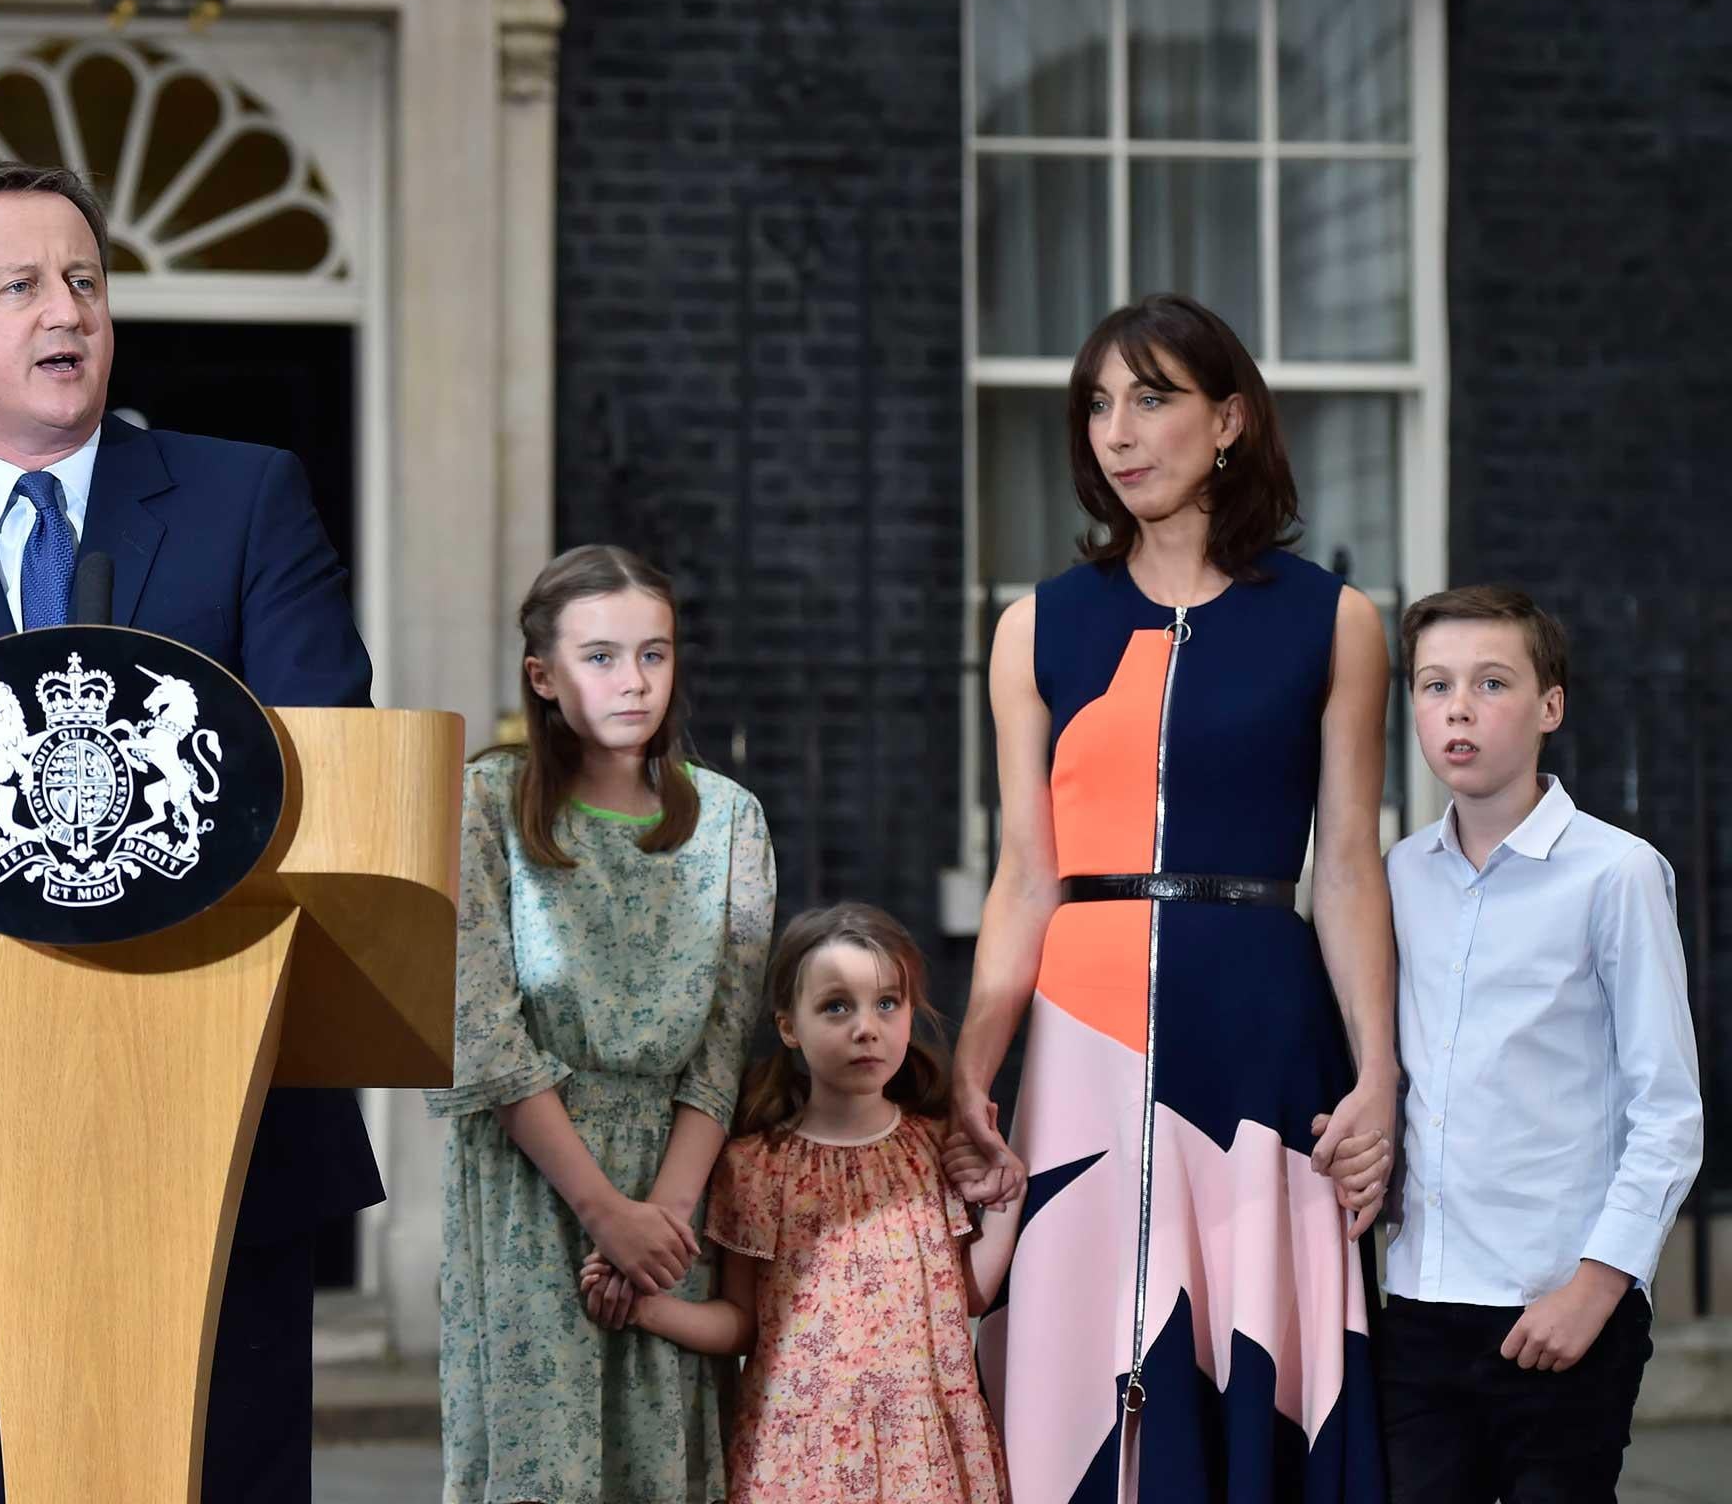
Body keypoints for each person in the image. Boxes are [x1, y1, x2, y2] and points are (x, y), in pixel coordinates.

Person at [0, 161, 380, 1502]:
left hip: (218, 1121)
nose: (69, 311)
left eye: (85, 282)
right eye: (21, 288)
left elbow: (328, 758)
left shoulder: (244, 499)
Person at [943, 293, 1391, 1499]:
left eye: (1152, 398)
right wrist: (972, 1072)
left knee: (1236, 1361)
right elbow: (1023, 874)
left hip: (1256, 1036)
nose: (1117, 431)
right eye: (1097, 404)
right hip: (1083, 1039)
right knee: (1078, 1363)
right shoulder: (1034, 627)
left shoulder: (1333, 623)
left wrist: (1378, 1074)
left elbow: (1345, 864)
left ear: (1229, 419)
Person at [1325, 586, 1702, 1503]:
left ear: (1549, 705)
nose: (1458, 707)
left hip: (1560, 1303)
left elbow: (1668, 1112)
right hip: (1420, 1307)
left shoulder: (1617, 875)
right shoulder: (1393, 880)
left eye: (1492, 683)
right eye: (1433, 684)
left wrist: (1598, 1287)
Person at [427, 544, 776, 1504]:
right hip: (532, 1182)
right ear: (543, 675)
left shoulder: (731, 821)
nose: (635, 681)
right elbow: (480, 1034)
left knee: (660, 1465)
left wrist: (658, 1220)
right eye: (602, 656)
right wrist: (600, 1212)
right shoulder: (485, 803)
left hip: (671, 1184)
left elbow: (720, 1049)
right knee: (541, 1469)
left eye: (654, 655)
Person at [581, 901, 1014, 1504]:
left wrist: (1007, 1190)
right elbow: (743, 1324)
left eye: (887, 1003)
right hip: (798, 1459)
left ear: (910, 1014)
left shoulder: (935, 1149)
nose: (866, 1027)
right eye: (836, 1006)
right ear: (789, 1026)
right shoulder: (755, 1167)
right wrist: (644, 1310)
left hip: (926, 1457)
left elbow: (968, 1294)